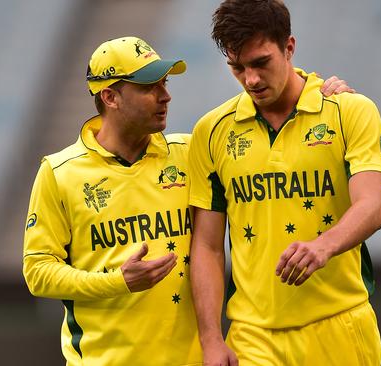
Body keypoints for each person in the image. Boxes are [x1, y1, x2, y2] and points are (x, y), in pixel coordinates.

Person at [22, 35, 354, 365]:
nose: (165, 96)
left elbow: (269, 140)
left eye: (164, 83)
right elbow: (38, 272)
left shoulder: (189, 152)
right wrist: (116, 282)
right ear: (110, 97)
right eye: (149, 87)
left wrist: (324, 97)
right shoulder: (59, 173)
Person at [187, 1, 381, 365]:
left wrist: (324, 246)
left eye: (260, 63)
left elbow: (372, 207)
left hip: (340, 324)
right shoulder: (211, 131)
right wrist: (210, 339)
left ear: (289, 47)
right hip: (252, 335)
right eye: (237, 68)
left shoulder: (349, 111)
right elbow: (206, 246)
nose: (250, 79)